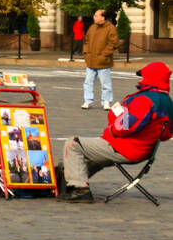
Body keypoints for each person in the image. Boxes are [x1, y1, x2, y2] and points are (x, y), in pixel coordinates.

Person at [59, 61, 172, 203]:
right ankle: (70, 178)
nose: (141, 80)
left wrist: (116, 119)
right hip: (144, 150)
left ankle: (80, 189)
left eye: (143, 76)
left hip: (125, 148)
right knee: (94, 153)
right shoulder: (166, 101)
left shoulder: (145, 100)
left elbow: (125, 127)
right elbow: (167, 134)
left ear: (151, 77)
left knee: (73, 144)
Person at [80, 8, 117, 109]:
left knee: (106, 84)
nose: (94, 17)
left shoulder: (110, 28)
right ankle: (87, 101)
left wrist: (104, 55)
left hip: (103, 61)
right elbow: (86, 40)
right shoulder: (92, 27)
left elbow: (113, 43)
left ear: (102, 17)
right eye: (94, 15)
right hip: (91, 61)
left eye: (96, 15)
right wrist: (86, 53)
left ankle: (106, 101)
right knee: (88, 82)